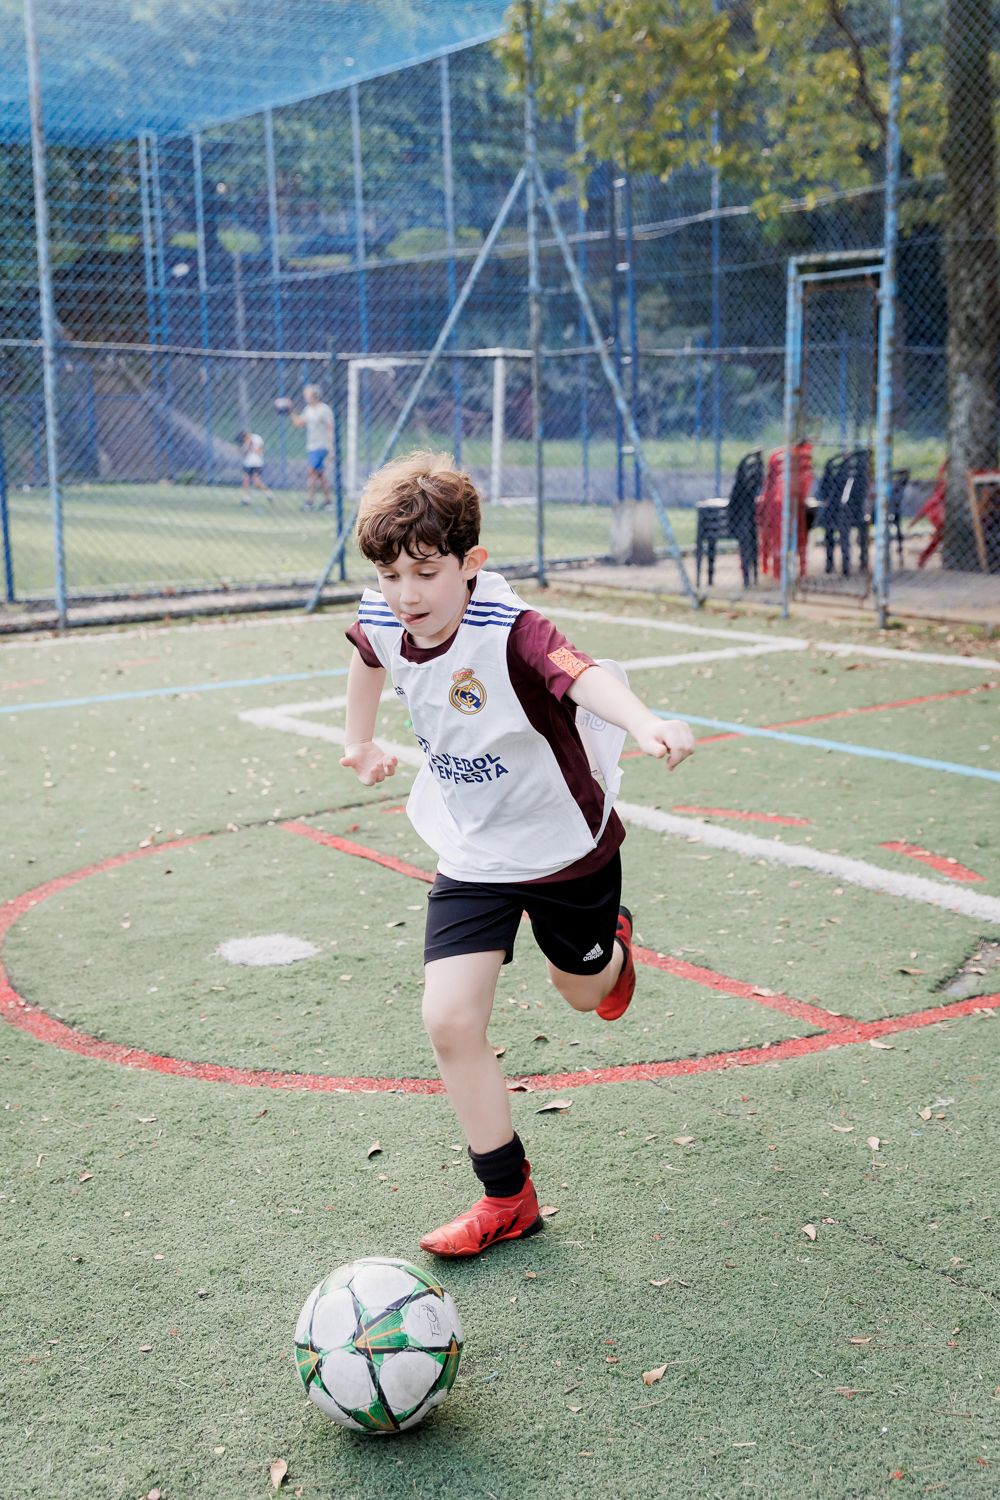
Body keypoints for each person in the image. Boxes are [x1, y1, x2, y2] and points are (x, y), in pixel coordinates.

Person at [340, 450, 695, 1259]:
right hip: (473, 850)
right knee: (449, 1018)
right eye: (391, 575)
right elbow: (366, 653)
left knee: (583, 994)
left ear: (471, 564)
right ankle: (508, 1199)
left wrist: (643, 724)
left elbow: (584, 676)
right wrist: (357, 741)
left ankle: (614, 952)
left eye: (425, 572)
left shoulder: (512, 630)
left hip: (566, 850)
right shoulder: (386, 614)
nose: (406, 594)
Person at [289, 384, 334, 510]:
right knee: (320, 475)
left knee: (311, 472)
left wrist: (331, 448)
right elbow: (299, 423)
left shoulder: (324, 409)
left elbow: (330, 428)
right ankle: (328, 502)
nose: (305, 396)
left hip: (321, 446)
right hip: (312, 447)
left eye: (307, 394)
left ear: (315, 395)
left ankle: (309, 502)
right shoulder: (308, 409)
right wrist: (290, 410)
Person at [237, 430, 272, 504]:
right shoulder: (244, 443)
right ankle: (246, 498)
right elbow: (244, 454)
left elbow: (260, 450)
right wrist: (245, 447)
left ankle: (268, 492)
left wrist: (251, 445)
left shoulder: (256, 438)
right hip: (248, 463)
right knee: (245, 479)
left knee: (256, 482)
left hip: (257, 463)